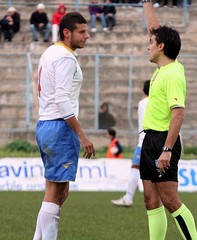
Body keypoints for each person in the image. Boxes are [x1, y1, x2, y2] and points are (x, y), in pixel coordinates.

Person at [139, 1, 197, 240]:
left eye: (151, 44)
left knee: (170, 201)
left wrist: (166, 149)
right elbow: (154, 30)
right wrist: (146, 4)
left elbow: (179, 113)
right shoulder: (163, 69)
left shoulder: (173, 73)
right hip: (150, 139)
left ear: (161, 47)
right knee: (150, 200)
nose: (148, 46)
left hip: (164, 141)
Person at [33, 12, 95, 240]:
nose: (87, 36)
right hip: (60, 127)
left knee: (57, 190)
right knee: (57, 192)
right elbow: (61, 98)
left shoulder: (50, 52)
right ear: (67, 32)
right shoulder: (66, 58)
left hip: (46, 125)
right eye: (82, 31)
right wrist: (82, 135)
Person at [111, 80, 150, 207]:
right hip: (156, 143)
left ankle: (128, 198)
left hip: (144, 142)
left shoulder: (143, 103)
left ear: (143, 90)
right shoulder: (159, 102)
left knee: (135, 167)